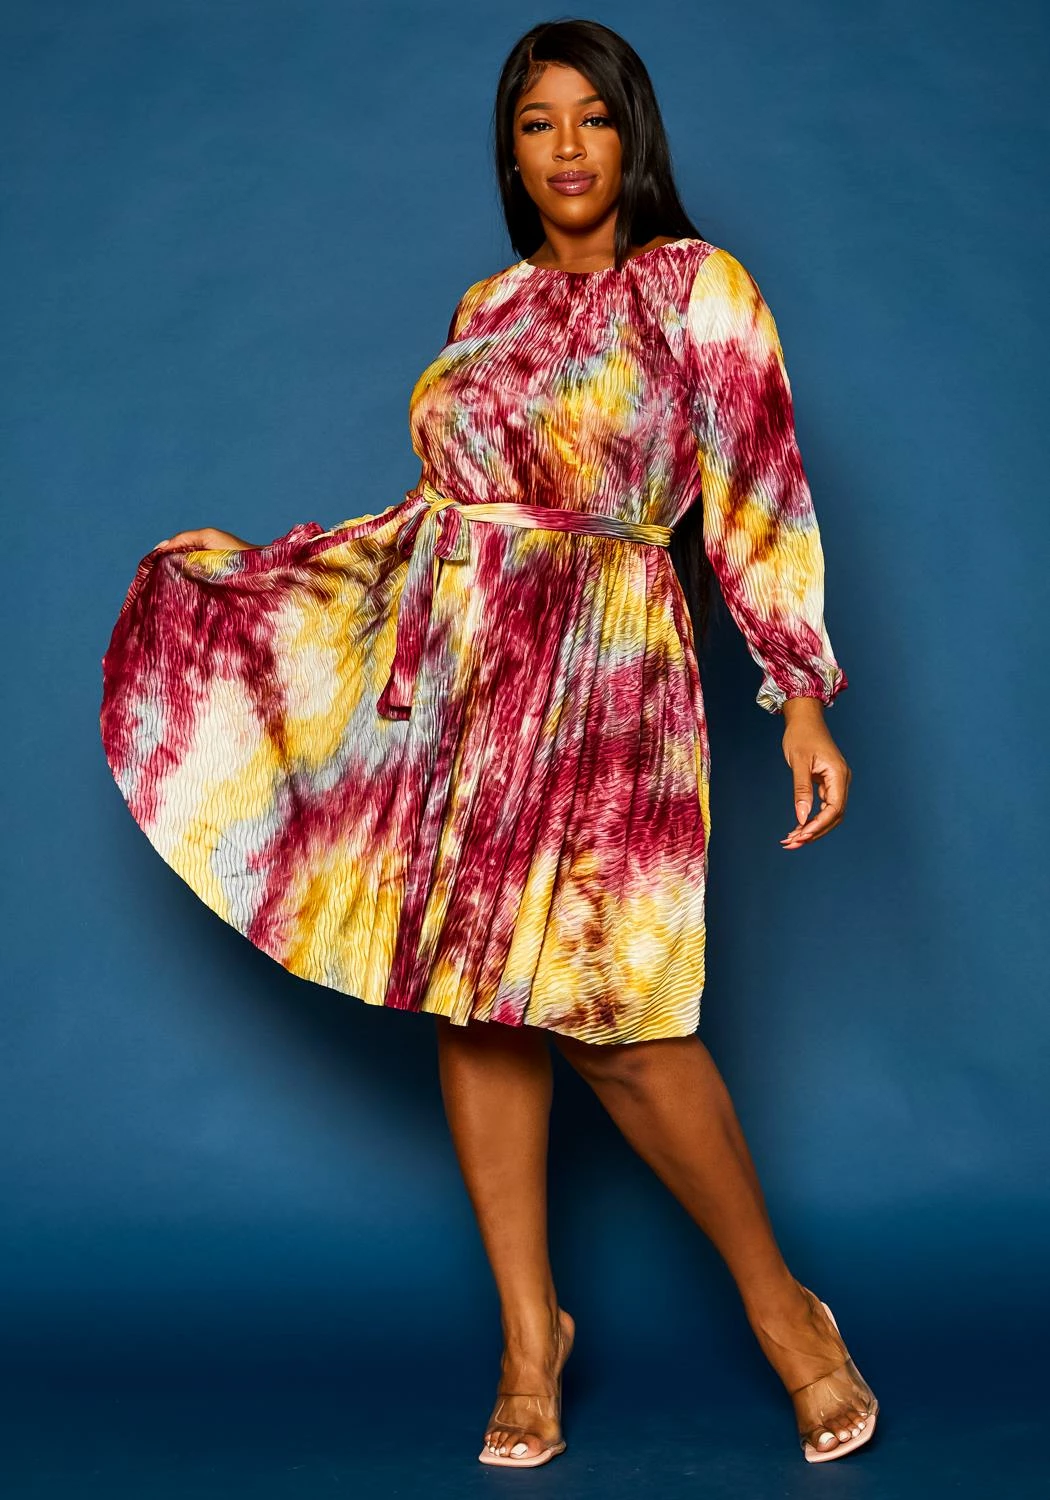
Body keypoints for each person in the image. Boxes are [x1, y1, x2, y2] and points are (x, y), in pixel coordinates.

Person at [101, 17, 877, 1471]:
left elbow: (756, 488)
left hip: (616, 679)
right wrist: (271, 568)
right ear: (510, 153)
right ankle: (532, 1340)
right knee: (474, 1003)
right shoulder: (487, 304)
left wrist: (800, 697)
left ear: (632, 135)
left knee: (624, 1021)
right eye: (536, 123)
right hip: (467, 677)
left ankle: (783, 1312)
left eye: (593, 117)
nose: (567, 147)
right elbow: (440, 509)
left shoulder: (695, 287)